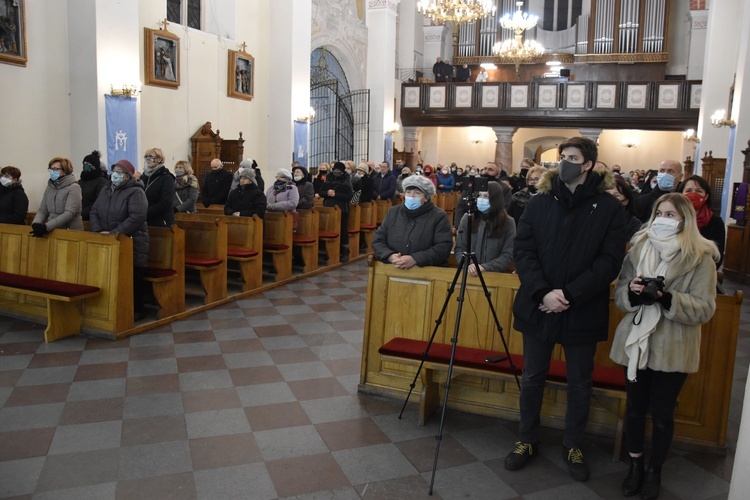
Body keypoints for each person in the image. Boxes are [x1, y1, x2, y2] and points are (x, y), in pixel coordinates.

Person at [505, 137, 627, 482]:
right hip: (539, 304)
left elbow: (610, 260)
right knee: (532, 377)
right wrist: (543, 292)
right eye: (562, 158)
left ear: (588, 164)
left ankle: (573, 444)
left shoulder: (608, 208)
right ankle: (526, 439)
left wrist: (569, 293)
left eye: (572, 158)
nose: (564, 163)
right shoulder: (540, 202)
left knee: (579, 382)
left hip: (581, 306)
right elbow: (524, 249)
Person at [609, 193, 719, 500]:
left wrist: (666, 297)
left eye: (671, 215)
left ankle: (655, 471)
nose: (663, 219)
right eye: (660, 212)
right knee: (633, 409)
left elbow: (705, 308)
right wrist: (632, 292)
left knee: (661, 413)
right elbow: (620, 294)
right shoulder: (638, 248)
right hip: (635, 344)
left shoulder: (701, 257)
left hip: (673, 346)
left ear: (684, 220)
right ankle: (635, 466)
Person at [89, 159, 149, 321]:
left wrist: (114, 233)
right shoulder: (105, 190)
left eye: (119, 172)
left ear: (127, 176)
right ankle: (114, 307)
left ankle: (137, 309)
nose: (115, 175)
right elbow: (94, 211)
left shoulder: (136, 192)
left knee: (132, 277)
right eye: (114, 171)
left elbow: (137, 217)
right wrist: (98, 231)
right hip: (108, 239)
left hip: (131, 241)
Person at [372, 175, 453, 268]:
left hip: (426, 272)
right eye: (408, 192)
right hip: (392, 268)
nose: (411, 196)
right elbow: (378, 240)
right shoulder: (393, 212)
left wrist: (415, 259)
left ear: (426, 198)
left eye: (417, 193)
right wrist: (390, 256)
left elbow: (443, 247)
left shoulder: (439, 216)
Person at [454, 182, 516, 275]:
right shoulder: (468, 218)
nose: (481, 199)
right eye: (479, 196)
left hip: (495, 275)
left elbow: (508, 253)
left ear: (495, 199)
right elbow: (459, 248)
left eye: (486, 196)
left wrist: (485, 267)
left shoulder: (508, 222)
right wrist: (469, 264)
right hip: (469, 273)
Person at [680, 175, 725, 267]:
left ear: (706, 196)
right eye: (688, 191)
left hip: (703, 270)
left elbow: (717, 255)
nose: (693, 194)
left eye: (698, 191)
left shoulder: (716, 222)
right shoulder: (674, 218)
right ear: (681, 195)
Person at [31, 157, 84, 236]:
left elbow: (69, 213)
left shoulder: (74, 187)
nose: (53, 172)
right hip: (52, 229)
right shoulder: (50, 187)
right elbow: (43, 209)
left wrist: (47, 227)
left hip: (70, 230)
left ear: (65, 170)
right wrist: (36, 223)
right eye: (51, 169)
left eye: (56, 169)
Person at [317, 161, 354, 261]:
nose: (336, 172)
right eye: (335, 170)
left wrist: (336, 194)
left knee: (342, 230)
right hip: (328, 208)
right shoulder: (329, 177)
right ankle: (329, 251)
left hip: (342, 209)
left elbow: (349, 196)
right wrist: (327, 193)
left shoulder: (346, 179)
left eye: (338, 170)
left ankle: (345, 251)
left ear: (342, 171)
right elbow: (321, 192)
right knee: (328, 229)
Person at [141, 148, 175, 227]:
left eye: (151, 156)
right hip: (144, 220)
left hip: (160, 221)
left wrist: (146, 213)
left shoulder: (167, 177)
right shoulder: (143, 177)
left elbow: (166, 202)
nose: (148, 159)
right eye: (146, 157)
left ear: (159, 159)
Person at [608, 176, 643, 240]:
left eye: (616, 196)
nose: (609, 198)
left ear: (626, 201)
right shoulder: (596, 219)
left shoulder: (635, 225)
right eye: (607, 194)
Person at [78, 150, 108, 221]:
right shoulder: (80, 181)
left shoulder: (102, 182)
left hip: (92, 219)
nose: (85, 166)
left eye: (88, 165)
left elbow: (98, 203)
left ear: (94, 166)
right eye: (84, 164)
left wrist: (81, 214)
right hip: (78, 218)